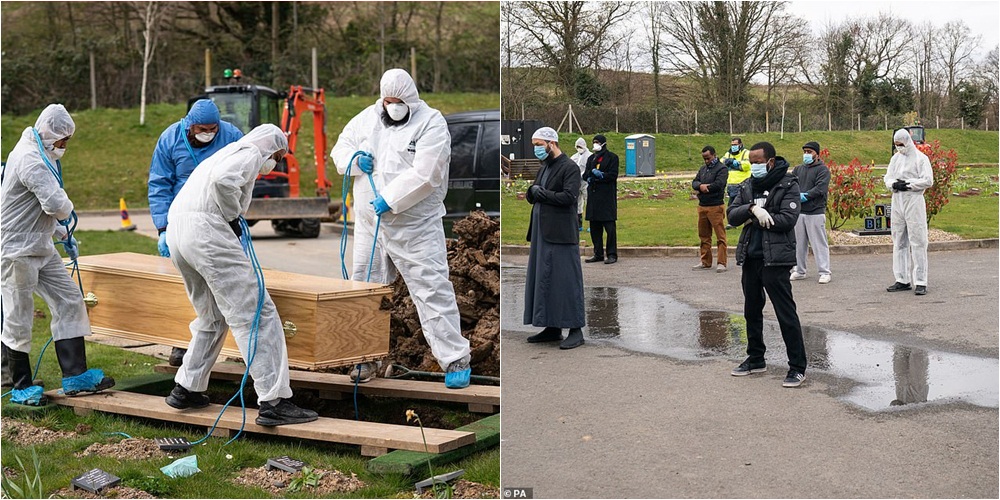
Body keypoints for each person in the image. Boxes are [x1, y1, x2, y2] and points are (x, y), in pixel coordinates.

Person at [163, 124, 318, 426]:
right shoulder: (249, 151)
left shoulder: (221, 154)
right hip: (207, 233)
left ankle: (187, 387)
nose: (273, 163)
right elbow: (224, 183)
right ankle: (274, 401)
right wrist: (232, 216)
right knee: (257, 314)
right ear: (270, 147)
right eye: (277, 156)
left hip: (179, 232)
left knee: (211, 317)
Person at [330, 69, 472, 388]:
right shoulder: (367, 118)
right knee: (365, 289)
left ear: (411, 99)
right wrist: (355, 160)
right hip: (370, 225)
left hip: (415, 226)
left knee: (431, 288)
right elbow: (340, 151)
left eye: (399, 102)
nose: (392, 107)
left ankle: (454, 358)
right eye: (388, 101)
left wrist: (390, 199)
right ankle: (364, 357)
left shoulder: (431, 122)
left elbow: (427, 174)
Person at [1, 104, 115, 406]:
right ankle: (21, 385)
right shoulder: (29, 159)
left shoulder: (42, 153)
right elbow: (55, 203)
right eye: (62, 141)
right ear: (49, 133)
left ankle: (75, 374)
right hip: (14, 250)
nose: (64, 147)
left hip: (39, 243)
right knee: (18, 316)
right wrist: (67, 215)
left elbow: (36, 210)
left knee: (69, 299)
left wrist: (64, 235)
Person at [148, 99, 243, 367]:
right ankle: (182, 343)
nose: (209, 133)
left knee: (233, 281)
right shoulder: (170, 139)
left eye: (213, 128)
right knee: (189, 288)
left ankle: (238, 342)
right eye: (203, 128)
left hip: (221, 219)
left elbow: (244, 175)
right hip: (182, 222)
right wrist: (163, 228)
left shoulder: (232, 136)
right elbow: (159, 183)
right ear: (190, 125)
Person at [727, 141, 807, 388]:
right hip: (751, 256)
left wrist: (758, 216)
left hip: (776, 259)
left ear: (770, 162)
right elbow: (732, 214)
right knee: (751, 310)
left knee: (785, 313)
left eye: (758, 162)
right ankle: (755, 358)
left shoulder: (788, 184)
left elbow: (788, 219)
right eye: (751, 162)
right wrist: (752, 209)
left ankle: (797, 367)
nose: (754, 166)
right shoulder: (748, 185)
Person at [523, 127, 586, 350]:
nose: (536, 149)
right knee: (544, 279)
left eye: (539, 145)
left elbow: (569, 197)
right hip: (543, 232)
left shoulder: (569, 167)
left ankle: (575, 329)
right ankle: (552, 326)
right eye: (535, 145)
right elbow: (535, 190)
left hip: (560, 234)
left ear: (552, 143)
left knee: (566, 281)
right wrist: (533, 192)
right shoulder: (545, 167)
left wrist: (542, 194)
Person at [884, 128, 933, 295]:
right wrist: (893, 185)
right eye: (896, 145)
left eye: (901, 144)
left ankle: (921, 280)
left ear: (907, 141)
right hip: (897, 201)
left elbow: (928, 180)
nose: (899, 147)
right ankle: (902, 278)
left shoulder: (921, 158)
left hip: (914, 200)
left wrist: (909, 184)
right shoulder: (895, 159)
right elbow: (888, 177)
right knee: (899, 240)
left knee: (918, 240)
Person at [790, 141, 832, 284]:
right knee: (798, 243)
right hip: (800, 212)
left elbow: (820, 188)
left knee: (819, 243)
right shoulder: (798, 169)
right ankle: (800, 270)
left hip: (815, 211)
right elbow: (791, 184)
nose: (806, 154)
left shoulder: (823, 170)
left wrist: (806, 196)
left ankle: (824, 271)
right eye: (805, 151)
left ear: (817, 154)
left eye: (810, 152)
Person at [582, 134, 619, 264]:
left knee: (610, 228)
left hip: (606, 197)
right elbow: (586, 173)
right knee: (595, 228)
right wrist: (589, 176)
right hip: (593, 197)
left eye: (597, 142)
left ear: (603, 143)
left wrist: (601, 176)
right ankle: (598, 253)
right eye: (593, 142)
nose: (595, 144)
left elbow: (613, 175)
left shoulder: (612, 158)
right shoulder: (591, 158)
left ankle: (612, 254)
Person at [691, 145, 729, 272]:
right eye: (704, 159)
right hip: (702, 206)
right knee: (704, 235)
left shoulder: (722, 168)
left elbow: (719, 184)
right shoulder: (703, 169)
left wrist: (707, 188)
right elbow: (694, 182)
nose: (706, 161)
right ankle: (705, 261)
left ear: (714, 155)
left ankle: (722, 262)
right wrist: (701, 186)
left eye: (708, 158)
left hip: (716, 206)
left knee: (720, 236)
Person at [721, 137, 751, 205]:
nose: (733, 146)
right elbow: (721, 163)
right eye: (732, 145)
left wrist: (733, 164)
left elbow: (747, 166)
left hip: (742, 185)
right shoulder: (728, 154)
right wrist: (727, 161)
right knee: (731, 208)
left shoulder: (746, 153)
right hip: (731, 185)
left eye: (735, 145)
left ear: (740, 144)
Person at [570, 137, 591, 231]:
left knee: (589, 202)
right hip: (576, 182)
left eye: (580, 146)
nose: (579, 148)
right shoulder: (574, 157)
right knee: (578, 203)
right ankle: (579, 224)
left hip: (586, 182)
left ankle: (592, 224)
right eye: (577, 146)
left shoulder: (590, 156)